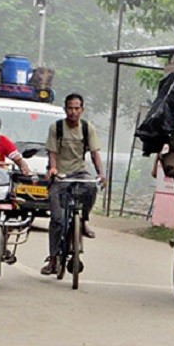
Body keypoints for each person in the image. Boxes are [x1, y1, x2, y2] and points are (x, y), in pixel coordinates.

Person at [41, 93, 106, 275]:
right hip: (60, 175)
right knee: (57, 220)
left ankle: (83, 219)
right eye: (70, 108)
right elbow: (52, 152)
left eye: (77, 108)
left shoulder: (87, 128)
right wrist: (53, 169)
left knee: (91, 186)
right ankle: (53, 259)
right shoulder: (57, 128)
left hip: (79, 172)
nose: (73, 112)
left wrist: (101, 174)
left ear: (82, 110)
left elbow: (94, 154)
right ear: (65, 109)